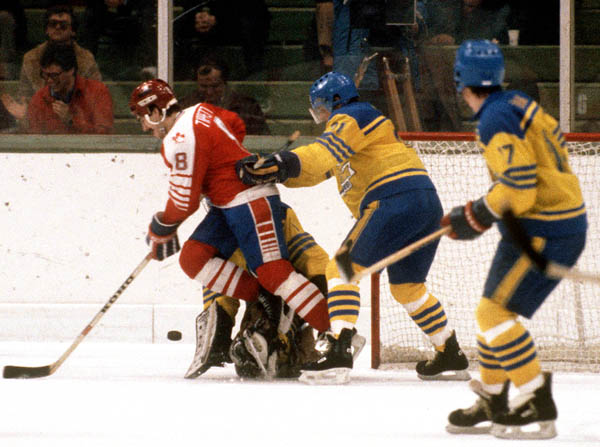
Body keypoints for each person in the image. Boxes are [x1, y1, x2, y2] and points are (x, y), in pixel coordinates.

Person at [236, 71, 469, 384]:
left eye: (320, 107)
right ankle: (449, 352)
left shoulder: (353, 115)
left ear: (335, 101)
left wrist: (281, 162)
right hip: (424, 205)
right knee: (407, 287)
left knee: (341, 269)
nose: (319, 115)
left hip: (393, 199)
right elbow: (315, 172)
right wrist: (273, 171)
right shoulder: (352, 138)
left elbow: (319, 155)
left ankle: (338, 351)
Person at [129, 79, 337, 373]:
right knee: (193, 258)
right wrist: (223, 161)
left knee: (275, 272)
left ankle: (336, 338)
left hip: (250, 200)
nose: (144, 128)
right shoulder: (200, 110)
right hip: (226, 206)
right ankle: (265, 299)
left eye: (143, 119)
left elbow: (184, 203)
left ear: (155, 111)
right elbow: (235, 124)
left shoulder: (177, 140)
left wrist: (161, 226)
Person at [442, 40, 587, 439]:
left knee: (494, 316)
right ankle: (492, 397)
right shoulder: (516, 102)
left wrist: (478, 212)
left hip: (545, 228)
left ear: (460, 79)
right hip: (539, 223)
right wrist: (484, 210)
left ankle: (535, 400)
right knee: (490, 312)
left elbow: (519, 188)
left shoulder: (494, 119)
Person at [185, 201, 329, 380]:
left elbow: (313, 260)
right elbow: (217, 286)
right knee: (251, 358)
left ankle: (286, 339)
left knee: (289, 357)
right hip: (258, 291)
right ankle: (270, 338)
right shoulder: (214, 228)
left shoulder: (278, 213)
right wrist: (220, 328)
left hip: (288, 284)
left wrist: (327, 318)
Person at [1, 4, 101, 124]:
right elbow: (25, 96)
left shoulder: (86, 59)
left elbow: (96, 99)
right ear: (46, 30)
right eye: (53, 24)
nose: (57, 27)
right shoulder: (30, 58)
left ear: (73, 31)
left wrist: (72, 116)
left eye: (63, 25)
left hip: (77, 122)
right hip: (39, 122)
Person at [27, 43, 113, 134]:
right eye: (45, 75)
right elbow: (34, 139)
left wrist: (72, 121)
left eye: (54, 75)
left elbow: (105, 135)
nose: (49, 80)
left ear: (71, 70)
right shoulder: (39, 99)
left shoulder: (97, 92)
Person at [174, 0, 270, 79]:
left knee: (251, 26)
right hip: (197, 23)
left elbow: (256, 11)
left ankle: (254, 75)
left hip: (236, 25)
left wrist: (218, 19)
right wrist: (197, 16)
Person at [179, 58, 270, 135]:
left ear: (225, 83)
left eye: (215, 86)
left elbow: (261, 140)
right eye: (203, 86)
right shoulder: (185, 107)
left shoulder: (247, 107)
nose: (209, 92)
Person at [79, 0, 157, 79]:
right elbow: (86, 44)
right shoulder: (92, 11)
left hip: (134, 61)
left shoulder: (144, 7)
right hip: (103, 63)